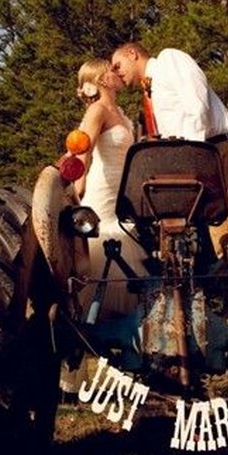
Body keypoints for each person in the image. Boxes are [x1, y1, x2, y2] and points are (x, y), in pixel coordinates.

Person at [110, 42, 228, 265]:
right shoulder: (150, 92)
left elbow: (197, 107)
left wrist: (191, 162)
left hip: (217, 151)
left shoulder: (169, 60)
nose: (116, 73)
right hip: (196, 159)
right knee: (205, 244)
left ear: (132, 53)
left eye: (117, 65)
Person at [70, 57, 145, 317]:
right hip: (103, 187)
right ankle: (96, 316)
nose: (118, 74)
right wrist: (76, 191)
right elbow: (83, 152)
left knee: (126, 244)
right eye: (112, 71)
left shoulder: (121, 113)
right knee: (104, 243)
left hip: (123, 190)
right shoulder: (97, 111)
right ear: (103, 79)